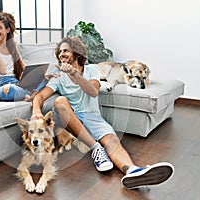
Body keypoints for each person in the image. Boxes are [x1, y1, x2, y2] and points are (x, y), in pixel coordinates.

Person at [31, 36, 174, 189]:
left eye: (65, 50)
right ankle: (96, 149)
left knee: (112, 141)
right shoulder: (58, 77)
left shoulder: (91, 70)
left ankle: (133, 171)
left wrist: (74, 74)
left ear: (77, 53)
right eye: (60, 52)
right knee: (59, 102)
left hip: (93, 118)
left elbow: (93, 91)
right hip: (70, 117)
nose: (61, 54)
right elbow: (40, 96)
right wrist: (36, 111)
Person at [0, 12, 48, 101]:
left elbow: (24, 68)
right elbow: (2, 70)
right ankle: (34, 93)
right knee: (8, 91)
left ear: (7, 30)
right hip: (0, 85)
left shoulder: (12, 47)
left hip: (17, 82)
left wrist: (41, 75)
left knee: (47, 79)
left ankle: (31, 93)